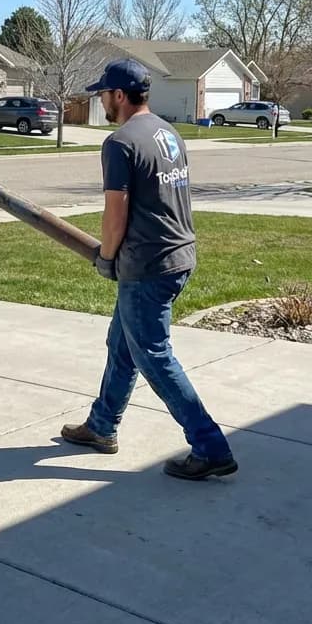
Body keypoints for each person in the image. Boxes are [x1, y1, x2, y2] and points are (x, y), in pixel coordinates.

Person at [60, 58, 238, 480]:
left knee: (154, 356)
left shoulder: (120, 142)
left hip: (148, 265)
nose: (101, 100)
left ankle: (211, 446)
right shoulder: (167, 133)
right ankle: (102, 427)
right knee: (123, 345)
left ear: (119, 96)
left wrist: (106, 257)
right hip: (179, 255)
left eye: (103, 93)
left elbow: (115, 214)